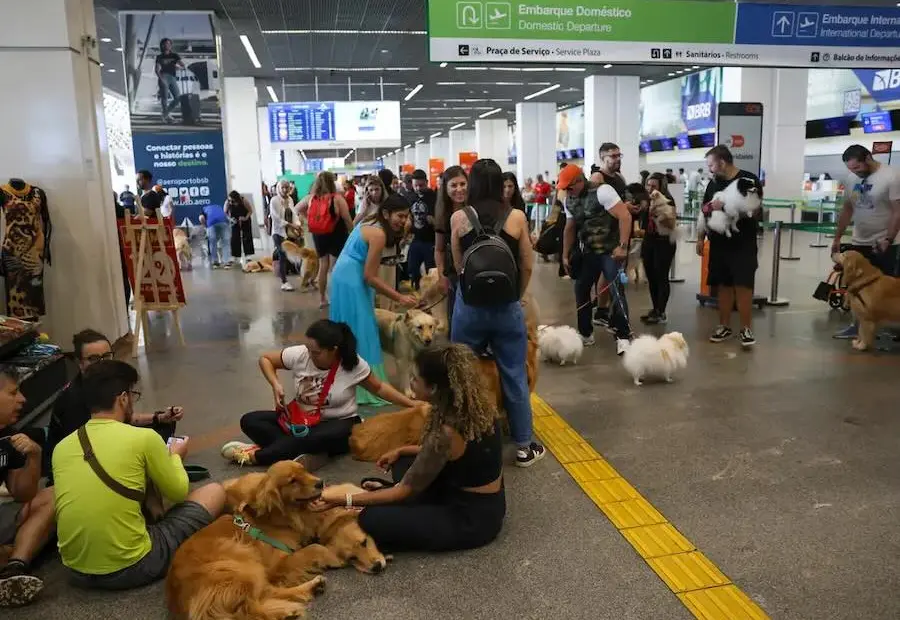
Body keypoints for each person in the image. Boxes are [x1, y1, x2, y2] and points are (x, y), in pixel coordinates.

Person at [52, 360, 225, 591]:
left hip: (75, 572)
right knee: (214, 492)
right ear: (123, 398)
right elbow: (179, 491)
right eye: (132, 394)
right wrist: (175, 456)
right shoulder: (143, 438)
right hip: (133, 566)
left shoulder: (62, 447)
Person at [314, 344, 505, 551]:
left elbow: (404, 491)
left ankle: (398, 503)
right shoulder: (477, 407)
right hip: (485, 500)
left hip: (470, 519)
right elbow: (453, 456)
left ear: (432, 388)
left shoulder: (446, 433)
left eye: (415, 379)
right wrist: (402, 450)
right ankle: (400, 496)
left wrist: (342, 500)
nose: (411, 383)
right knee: (403, 463)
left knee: (371, 519)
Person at [449, 158, 544, 467]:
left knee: (462, 373)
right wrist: (515, 296)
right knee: (514, 373)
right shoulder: (516, 216)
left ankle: (463, 438)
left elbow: (458, 266)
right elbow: (528, 263)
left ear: (472, 183)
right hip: (506, 307)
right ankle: (523, 445)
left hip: (469, 309)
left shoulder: (459, 218)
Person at [222, 319, 419, 467]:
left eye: (316, 352)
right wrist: (276, 384)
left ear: (333, 350)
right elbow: (266, 359)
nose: (309, 354)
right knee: (250, 420)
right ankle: (296, 452)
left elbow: (379, 388)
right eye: (308, 349)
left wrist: (411, 404)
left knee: (313, 439)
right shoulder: (302, 353)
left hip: (338, 424)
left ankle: (255, 456)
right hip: (300, 421)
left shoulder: (352, 364)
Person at [45, 329, 184, 480]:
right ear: (80, 363)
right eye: (93, 359)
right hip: (82, 460)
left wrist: (160, 417)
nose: (103, 363)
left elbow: (123, 417)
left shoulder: (108, 381)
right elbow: (84, 448)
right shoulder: (72, 400)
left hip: (105, 439)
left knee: (164, 427)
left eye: (106, 356)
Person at [329, 195, 417, 405]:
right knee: (363, 331)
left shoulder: (369, 222)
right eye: (400, 216)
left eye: (406, 217)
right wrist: (400, 298)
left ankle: (347, 380)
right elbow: (370, 277)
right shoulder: (378, 234)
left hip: (344, 275)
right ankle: (366, 386)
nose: (403, 221)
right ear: (386, 214)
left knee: (349, 329)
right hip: (353, 279)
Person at [560, 164, 634, 356]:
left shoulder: (603, 191)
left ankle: (623, 336)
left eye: (570, 187)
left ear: (579, 180)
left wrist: (623, 246)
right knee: (581, 288)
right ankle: (585, 333)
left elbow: (625, 216)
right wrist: (565, 254)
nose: (568, 191)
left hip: (611, 251)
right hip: (589, 252)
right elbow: (569, 227)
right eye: (565, 189)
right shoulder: (570, 200)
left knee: (616, 290)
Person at [696, 145, 762, 347]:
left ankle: (746, 328)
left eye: (711, 165)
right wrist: (700, 237)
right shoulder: (713, 184)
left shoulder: (748, 180)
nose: (710, 170)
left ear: (722, 162)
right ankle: (724, 326)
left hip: (743, 243)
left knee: (743, 285)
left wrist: (724, 207)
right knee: (723, 285)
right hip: (719, 243)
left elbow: (755, 210)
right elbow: (705, 210)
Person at [832, 145, 900, 340]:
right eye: (851, 169)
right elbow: (848, 209)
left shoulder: (892, 177)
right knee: (856, 287)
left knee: (885, 288)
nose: (855, 172)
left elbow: (897, 211)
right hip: (859, 240)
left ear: (868, 158)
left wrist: (888, 238)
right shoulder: (853, 179)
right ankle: (857, 326)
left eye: (858, 168)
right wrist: (837, 237)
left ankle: (885, 325)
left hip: (885, 241)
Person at [0, 369, 54, 607]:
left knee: (55, 495)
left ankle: (13, 568)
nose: (22, 399)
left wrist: (35, 456)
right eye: (13, 392)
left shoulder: (8, 437)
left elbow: (23, 494)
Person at [298, 171, 354, 308]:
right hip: (336, 233)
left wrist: (309, 219)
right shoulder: (337, 198)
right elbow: (347, 218)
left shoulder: (313, 199)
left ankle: (322, 299)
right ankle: (336, 297)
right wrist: (352, 232)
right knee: (335, 268)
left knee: (323, 266)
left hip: (319, 234)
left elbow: (299, 208)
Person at [434, 166, 469, 332]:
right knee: (455, 321)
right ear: (446, 189)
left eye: (463, 184)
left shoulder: (476, 210)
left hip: (475, 273)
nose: (459, 189)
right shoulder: (442, 215)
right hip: (454, 276)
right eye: (454, 185)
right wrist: (441, 276)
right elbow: (439, 249)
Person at [640, 173, 678, 324]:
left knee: (661, 276)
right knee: (651, 276)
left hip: (664, 242)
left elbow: (671, 225)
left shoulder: (668, 201)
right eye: (648, 185)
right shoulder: (647, 201)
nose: (650, 189)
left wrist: (659, 216)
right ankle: (655, 308)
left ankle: (661, 312)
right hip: (649, 240)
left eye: (653, 186)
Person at [407, 169, 437, 290]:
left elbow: (442, 221)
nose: (418, 188)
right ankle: (417, 291)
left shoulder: (434, 197)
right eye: (416, 186)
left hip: (431, 240)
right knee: (412, 268)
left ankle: (431, 294)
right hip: (416, 239)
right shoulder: (411, 197)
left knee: (431, 270)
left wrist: (434, 221)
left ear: (427, 182)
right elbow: (408, 216)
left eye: (421, 185)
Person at [269, 180, 300, 291]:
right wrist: (290, 224)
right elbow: (276, 218)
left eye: (287, 187)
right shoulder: (274, 200)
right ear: (279, 188)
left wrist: (297, 224)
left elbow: (294, 214)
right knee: (282, 254)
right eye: (283, 187)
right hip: (278, 232)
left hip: (289, 233)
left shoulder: (290, 199)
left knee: (291, 254)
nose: (285, 190)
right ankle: (284, 281)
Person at [155, 38, 185, 124]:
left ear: (171, 45)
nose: (167, 45)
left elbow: (183, 66)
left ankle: (165, 114)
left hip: (172, 77)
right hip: (163, 76)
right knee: (164, 98)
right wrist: (161, 79)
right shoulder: (159, 57)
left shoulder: (174, 55)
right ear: (162, 45)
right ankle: (166, 116)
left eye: (168, 44)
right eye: (165, 44)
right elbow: (157, 70)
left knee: (177, 98)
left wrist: (178, 67)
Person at [225, 190, 254, 267]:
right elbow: (225, 212)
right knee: (234, 238)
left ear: (237, 199)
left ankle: (248, 255)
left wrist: (245, 218)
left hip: (244, 219)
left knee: (247, 236)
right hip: (234, 220)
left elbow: (250, 211)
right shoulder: (227, 202)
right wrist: (230, 219)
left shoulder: (243, 200)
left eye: (232, 200)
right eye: (230, 200)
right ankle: (235, 256)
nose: (231, 202)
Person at [199, 203, 232, 269]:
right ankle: (226, 262)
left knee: (213, 243)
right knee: (225, 243)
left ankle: (215, 262)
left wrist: (205, 226)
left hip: (211, 223)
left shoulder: (204, 209)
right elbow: (226, 216)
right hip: (224, 222)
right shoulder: (219, 207)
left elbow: (201, 218)